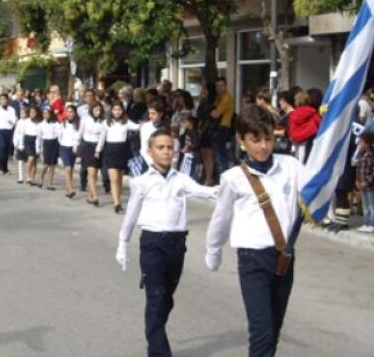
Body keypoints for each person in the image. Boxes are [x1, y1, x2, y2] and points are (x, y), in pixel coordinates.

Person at [205, 105, 303, 357]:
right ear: (242, 141)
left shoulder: (290, 166)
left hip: (284, 258)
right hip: (252, 261)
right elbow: (221, 217)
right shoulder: (233, 177)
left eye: (268, 138)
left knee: (273, 332)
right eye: (255, 140)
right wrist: (213, 249)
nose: (263, 146)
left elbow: (315, 190)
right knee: (261, 331)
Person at [117, 130, 218, 356]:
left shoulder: (180, 179)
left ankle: (155, 336)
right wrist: (122, 243)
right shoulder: (142, 182)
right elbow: (131, 213)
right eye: (160, 147)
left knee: (166, 300)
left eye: (170, 147)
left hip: (176, 244)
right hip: (152, 244)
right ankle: (160, 351)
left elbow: (204, 192)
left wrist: (228, 189)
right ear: (150, 151)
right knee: (157, 297)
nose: (166, 152)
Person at [103, 102, 141, 214]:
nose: (117, 112)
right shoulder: (106, 123)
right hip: (110, 149)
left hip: (122, 150)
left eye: (119, 110)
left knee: (119, 179)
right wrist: (98, 150)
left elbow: (137, 127)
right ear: (111, 111)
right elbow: (102, 138)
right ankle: (116, 203)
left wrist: (146, 124)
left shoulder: (126, 122)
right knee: (113, 178)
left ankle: (117, 198)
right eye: (115, 110)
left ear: (122, 111)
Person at [79, 102, 106, 206]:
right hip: (87, 146)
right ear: (92, 111)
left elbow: (102, 138)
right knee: (91, 172)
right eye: (95, 110)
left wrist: (98, 150)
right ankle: (95, 197)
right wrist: (76, 145)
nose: (97, 112)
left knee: (94, 173)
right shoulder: (85, 120)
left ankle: (90, 195)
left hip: (97, 147)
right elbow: (80, 133)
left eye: (99, 110)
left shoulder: (103, 122)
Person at [355, 130, 374, 233]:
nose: (360, 144)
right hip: (361, 182)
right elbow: (358, 168)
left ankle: (373, 224)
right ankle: (366, 223)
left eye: (362, 142)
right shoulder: (361, 155)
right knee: (365, 206)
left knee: (372, 206)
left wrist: (367, 182)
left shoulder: (373, 156)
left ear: (368, 143)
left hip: (370, 185)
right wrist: (357, 180)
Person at [59, 105, 81, 198]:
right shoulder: (62, 123)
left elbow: (78, 136)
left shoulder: (78, 124)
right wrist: (62, 143)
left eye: (71, 112)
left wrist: (76, 146)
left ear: (75, 113)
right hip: (64, 147)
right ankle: (71, 189)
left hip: (74, 148)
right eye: (68, 112)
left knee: (71, 169)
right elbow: (59, 136)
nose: (70, 113)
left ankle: (68, 189)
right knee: (67, 168)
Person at [14, 105, 40, 187]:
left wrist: (39, 147)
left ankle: (32, 178)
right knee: (31, 157)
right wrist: (20, 144)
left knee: (34, 162)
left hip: (36, 141)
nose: (32, 114)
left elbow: (40, 135)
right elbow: (21, 133)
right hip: (28, 140)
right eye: (31, 112)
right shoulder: (26, 121)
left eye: (34, 112)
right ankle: (28, 176)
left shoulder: (39, 122)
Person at [37, 106, 61, 190]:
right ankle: (41, 178)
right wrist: (38, 148)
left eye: (47, 113)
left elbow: (59, 134)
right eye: (44, 113)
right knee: (46, 164)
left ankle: (49, 183)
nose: (45, 115)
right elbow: (39, 137)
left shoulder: (56, 123)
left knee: (53, 165)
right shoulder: (41, 124)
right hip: (46, 144)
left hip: (54, 143)